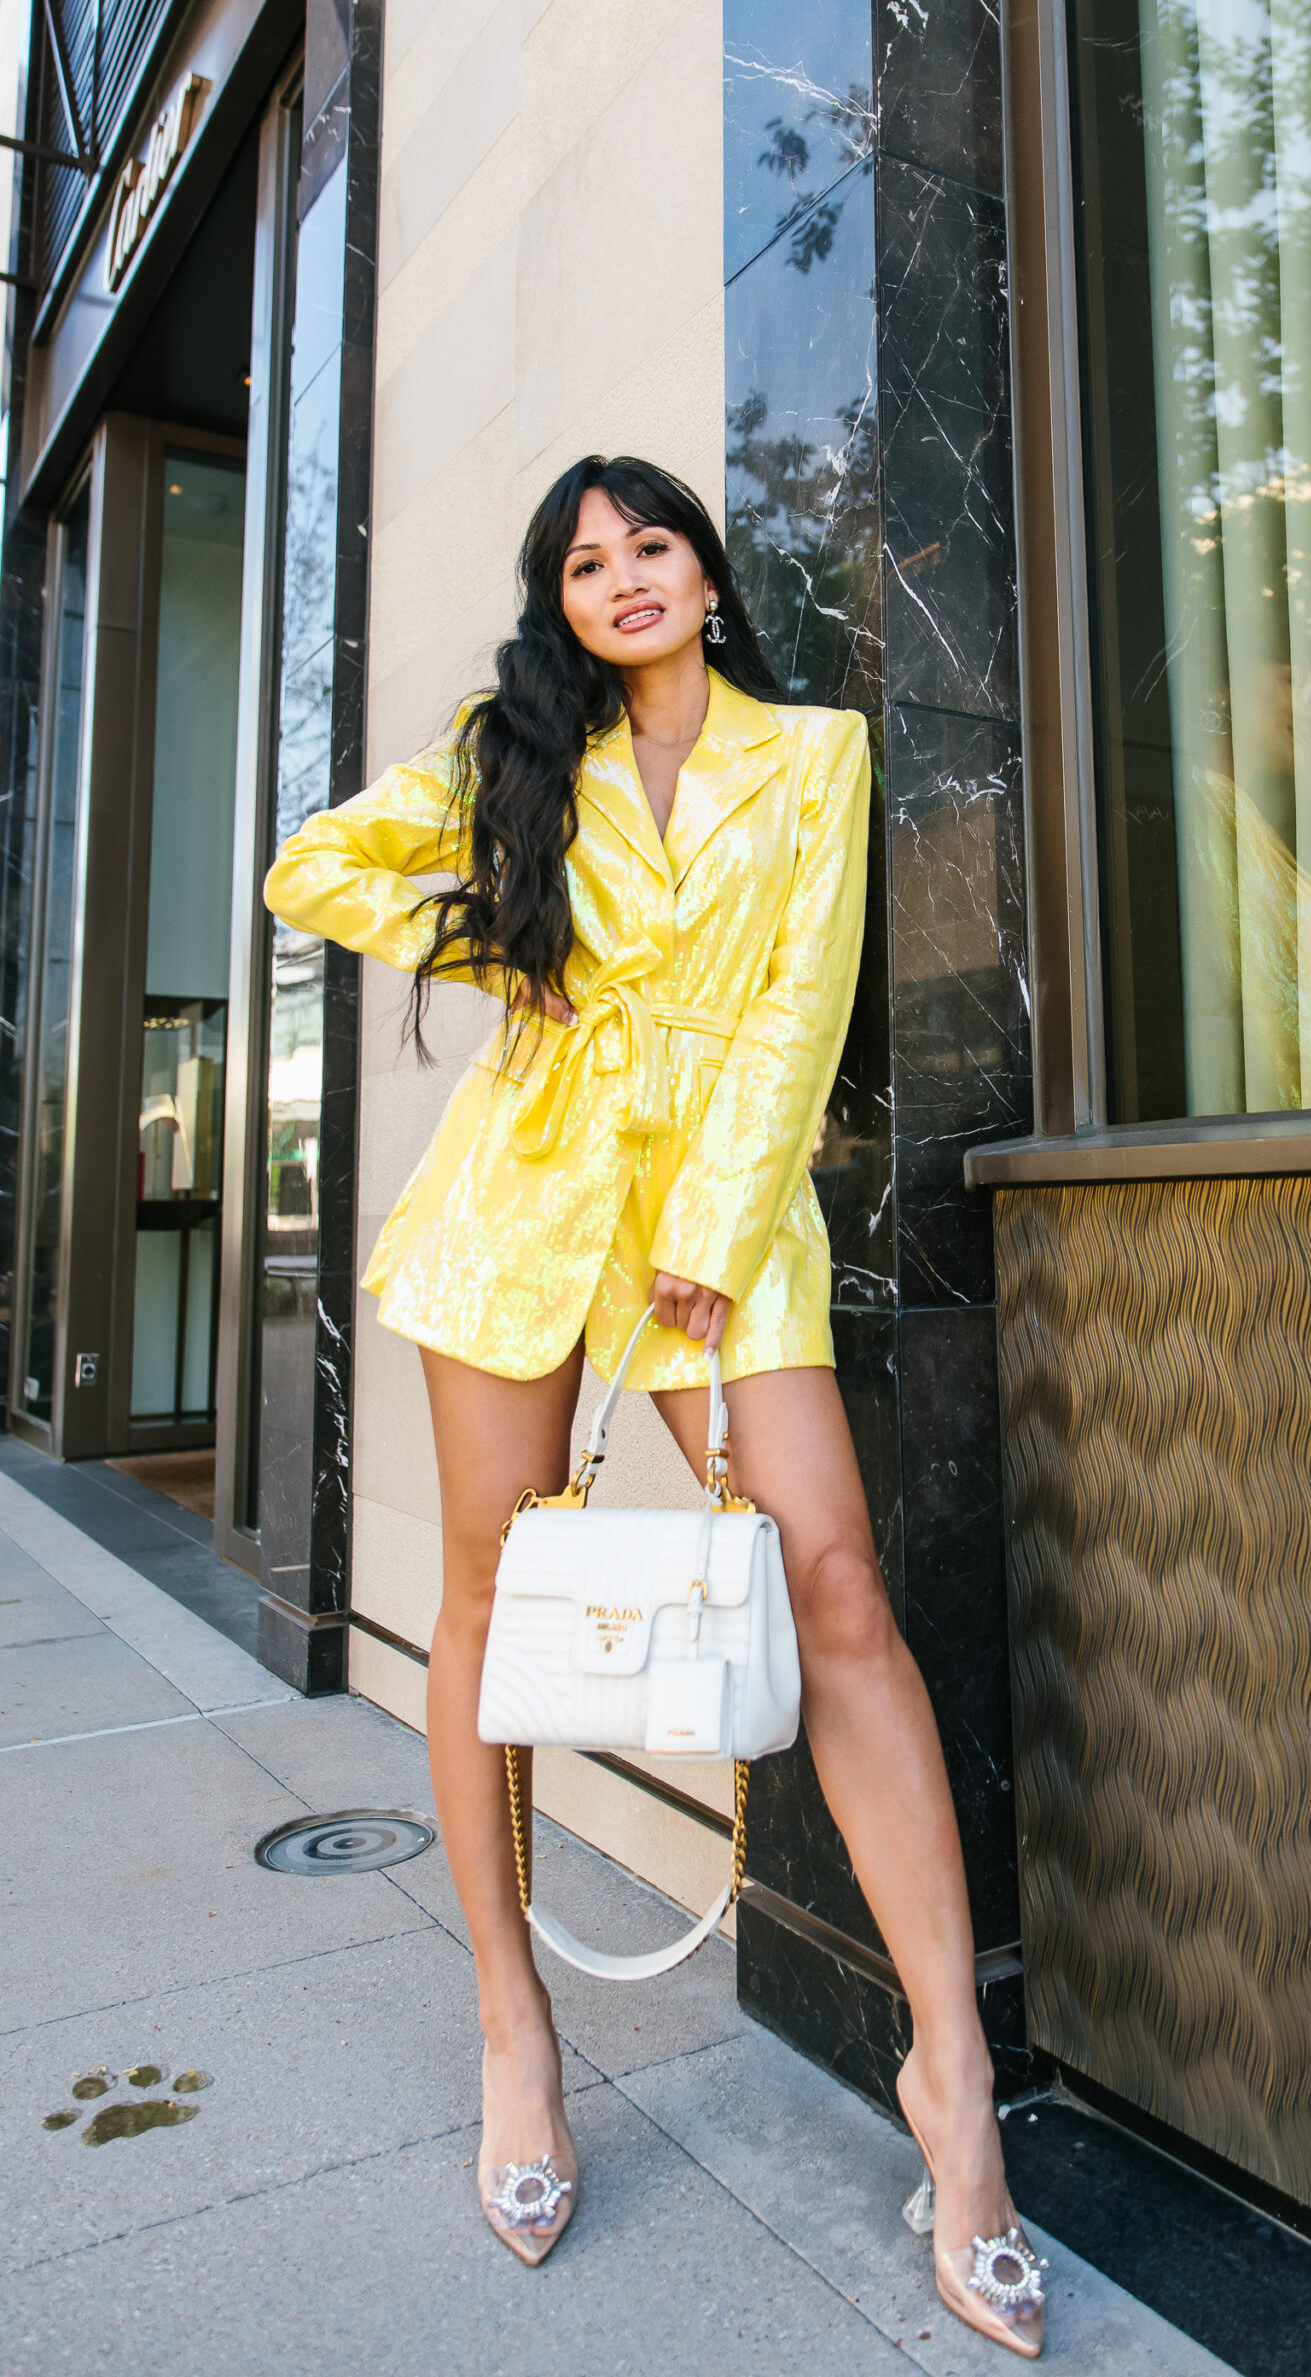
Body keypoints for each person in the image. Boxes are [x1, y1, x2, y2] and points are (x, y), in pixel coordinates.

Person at [263, 456, 1046, 2356]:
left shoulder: (818, 756)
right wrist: (508, 949)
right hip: (522, 1195)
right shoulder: (512, 749)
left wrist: (706, 1221)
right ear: (562, 598)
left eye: (652, 547)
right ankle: (516, 2031)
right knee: (484, 1601)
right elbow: (315, 868)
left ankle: (951, 2085)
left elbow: (801, 1004)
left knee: (837, 1589)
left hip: (723, 1213)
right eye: (584, 561)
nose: (622, 578)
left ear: (707, 571)